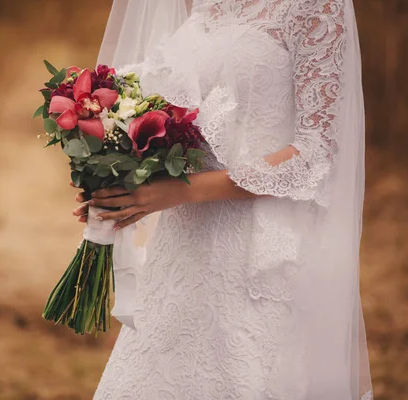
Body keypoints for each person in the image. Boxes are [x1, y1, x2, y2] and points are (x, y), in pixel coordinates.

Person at [73, 0, 373, 398]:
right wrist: (116, 172)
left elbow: (315, 154)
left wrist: (177, 191)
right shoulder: (204, 3)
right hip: (183, 248)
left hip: (258, 254)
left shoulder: (317, 6)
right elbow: (168, 107)